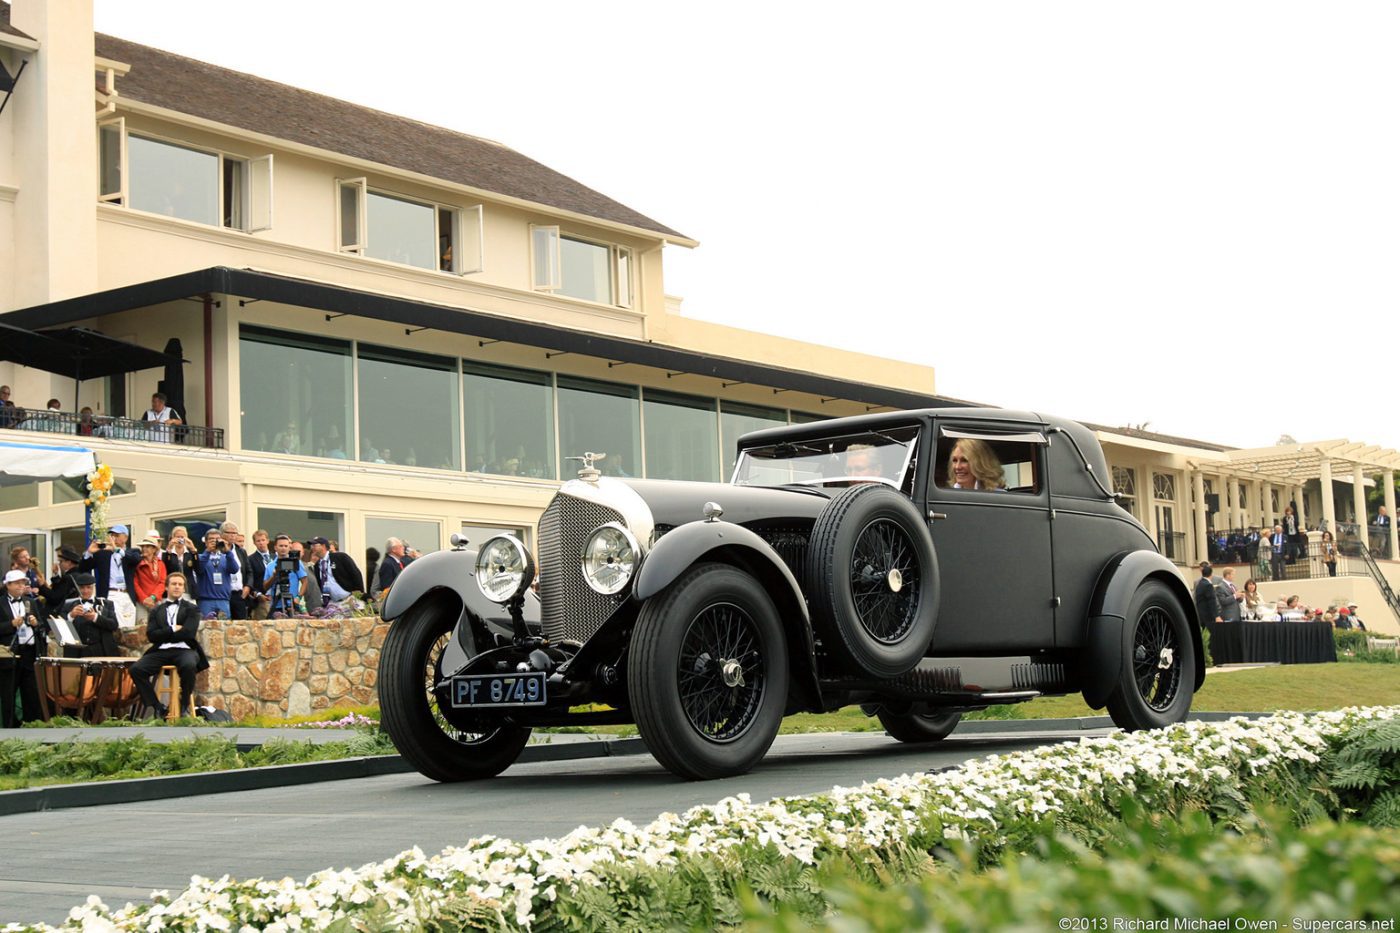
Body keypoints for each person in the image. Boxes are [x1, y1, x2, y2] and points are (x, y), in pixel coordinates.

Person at [129, 572, 208, 719]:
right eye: (174, 584)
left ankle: (183, 705)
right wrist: (172, 629)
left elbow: (188, 633)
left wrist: (164, 634)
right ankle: (157, 707)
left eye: (180, 584)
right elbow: (151, 636)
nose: (177, 587)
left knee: (189, 665)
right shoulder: (156, 610)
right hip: (161, 650)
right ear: (166, 587)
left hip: (184, 649)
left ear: (184, 588)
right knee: (136, 670)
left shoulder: (192, 609)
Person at [0, 569, 43, 727]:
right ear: (8, 585)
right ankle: (9, 727)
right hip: (10, 652)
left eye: (23, 583)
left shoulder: (30, 602)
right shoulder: (1, 603)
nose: (21, 586)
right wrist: (11, 624)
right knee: (8, 693)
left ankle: (32, 726)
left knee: (31, 693)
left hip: (29, 652)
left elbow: (42, 626)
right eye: (17, 583)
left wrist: (35, 623)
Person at [59, 573, 121, 658]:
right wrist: (71, 616)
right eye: (82, 588)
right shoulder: (68, 605)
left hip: (101, 650)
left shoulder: (106, 604)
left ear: (93, 587)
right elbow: (60, 628)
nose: (85, 591)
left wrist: (95, 617)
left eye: (88, 587)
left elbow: (114, 625)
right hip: (76, 652)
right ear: (78, 588)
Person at [188, 528, 240, 618]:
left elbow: (234, 569)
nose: (214, 541)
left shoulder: (226, 557)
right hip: (205, 601)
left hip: (223, 600)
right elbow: (199, 569)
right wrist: (208, 551)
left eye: (217, 539)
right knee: (206, 628)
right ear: (206, 542)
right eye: (211, 539)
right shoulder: (201, 557)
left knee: (224, 629)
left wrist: (228, 551)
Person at [309, 537, 365, 606]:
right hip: (333, 603)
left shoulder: (340, 557)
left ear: (323, 546)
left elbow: (356, 574)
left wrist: (359, 594)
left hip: (349, 599)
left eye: (314, 545)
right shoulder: (317, 565)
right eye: (311, 546)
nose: (312, 548)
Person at [263, 535, 308, 615]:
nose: (283, 548)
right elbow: (265, 587)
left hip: (292, 604)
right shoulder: (270, 566)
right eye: (281, 546)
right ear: (275, 547)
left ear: (289, 547)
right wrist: (274, 576)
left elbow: (304, 581)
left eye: (286, 546)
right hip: (277, 605)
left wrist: (299, 597)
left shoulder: (296, 562)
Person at [130, 532, 168, 626]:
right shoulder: (137, 562)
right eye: (143, 546)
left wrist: (153, 597)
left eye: (148, 546)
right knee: (141, 628)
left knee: (158, 628)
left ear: (154, 549)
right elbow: (135, 583)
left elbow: (163, 582)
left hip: (156, 601)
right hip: (141, 602)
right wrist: (144, 599)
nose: (144, 548)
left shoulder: (160, 564)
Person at [220, 522, 250, 620]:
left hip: (239, 594)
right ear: (222, 534)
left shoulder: (241, 551)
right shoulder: (218, 550)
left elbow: (249, 571)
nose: (233, 535)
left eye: (235, 533)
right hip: (223, 594)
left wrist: (248, 586)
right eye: (229, 533)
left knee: (241, 625)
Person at [44, 546, 84, 613]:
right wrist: (56, 575)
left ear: (69, 562)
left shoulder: (69, 577)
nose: (59, 564)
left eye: (60, 561)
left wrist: (42, 586)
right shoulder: (77, 573)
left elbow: (56, 597)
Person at [244, 530, 274, 620]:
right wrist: (258, 594)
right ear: (254, 543)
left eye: (263, 540)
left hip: (276, 598)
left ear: (268, 541)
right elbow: (250, 579)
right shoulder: (250, 559)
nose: (261, 543)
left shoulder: (275, 557)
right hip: (262, 599)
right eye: (258, 541)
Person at [1193, 561, 1221, 626]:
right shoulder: (1208, 585)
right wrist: (1216, 616)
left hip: (1201, 615)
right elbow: (1212, 601)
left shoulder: (1200, 583)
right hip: (1208, 616)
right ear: (1211, 574)